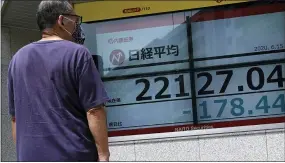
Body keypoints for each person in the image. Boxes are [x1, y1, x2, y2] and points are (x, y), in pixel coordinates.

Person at [7, 0, 110, 161]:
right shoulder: (78, 54)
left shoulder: (17, 59)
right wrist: (103, 155)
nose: (77, 27)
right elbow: (94, 110)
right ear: (62, 20)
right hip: (73, 155)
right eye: (75, 21)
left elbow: (15, 118)